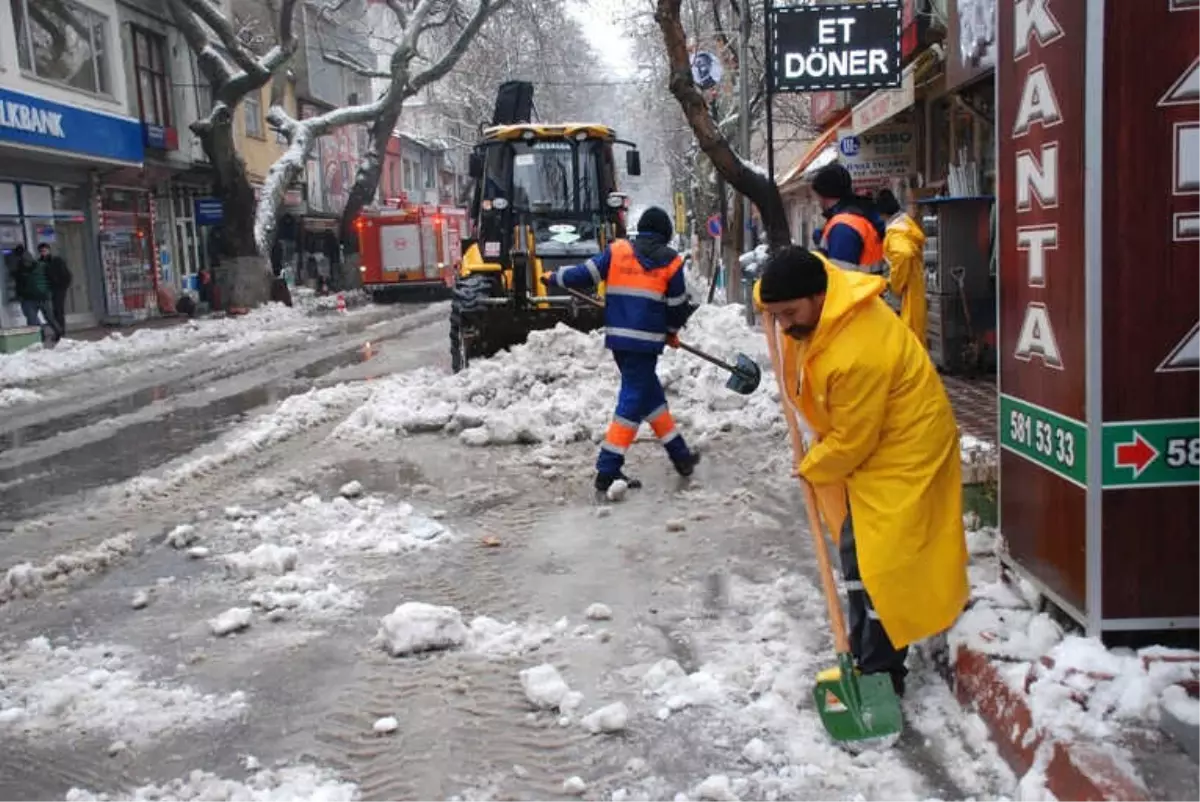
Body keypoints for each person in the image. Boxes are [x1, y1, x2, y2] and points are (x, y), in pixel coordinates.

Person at [753, 246, 968, 696]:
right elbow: (768, 293)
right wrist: (768, 309)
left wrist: (811, 465)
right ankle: (863, 651)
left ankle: (883, 672)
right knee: (855, 548)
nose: (785, 326)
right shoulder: (818, 293)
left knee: (885, 563)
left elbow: (854, 441)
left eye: (789, 313)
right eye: (776, 315)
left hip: (908, 448)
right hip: (872, 439)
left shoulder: (859, 352)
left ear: (818, 296)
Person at [543, 207, 701, 492]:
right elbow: (678, 307)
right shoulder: (672, 263)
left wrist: (555, 278)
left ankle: (681, 456)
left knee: (650, 399)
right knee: (631, 403)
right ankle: (608, 469)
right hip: (647, 344)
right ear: (665, 235)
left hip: (620, 342)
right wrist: (671, 332)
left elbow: (584, 274)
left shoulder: (617, 251)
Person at [810, 163, 887, 272]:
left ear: (823, 195)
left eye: (816, 195)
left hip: (856, 288)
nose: (817, 201)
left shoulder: (843, 226)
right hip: (868, 286)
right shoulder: (860, 215)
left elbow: (841, 277)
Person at [875, 189, 928, 346]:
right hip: (915, 289)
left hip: (906, 294)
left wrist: (895, 284)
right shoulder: (907, 225)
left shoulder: (896, 233)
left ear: (882, 214)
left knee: (908, 342)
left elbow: (903, 254)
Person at [11, 245, 59, 338]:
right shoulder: (38, 264)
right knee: (49, 318)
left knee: (32, 320)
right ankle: (59, 334)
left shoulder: (20, 266)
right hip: (42, 295)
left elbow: (20, 284)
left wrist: (19, 295)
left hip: (29, 297)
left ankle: (40, 337)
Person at [38, 242, 72, 336]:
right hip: (47, 289)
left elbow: (66, 275)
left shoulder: (56, 260)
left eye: (45, 250)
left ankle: (61, 332)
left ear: (49, 250)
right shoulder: (40, 263)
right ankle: (58, 331)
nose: (44, 253)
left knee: (58, 310)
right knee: (50, 312)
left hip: (58, 289)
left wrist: (62, 286)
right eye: (42, 251)